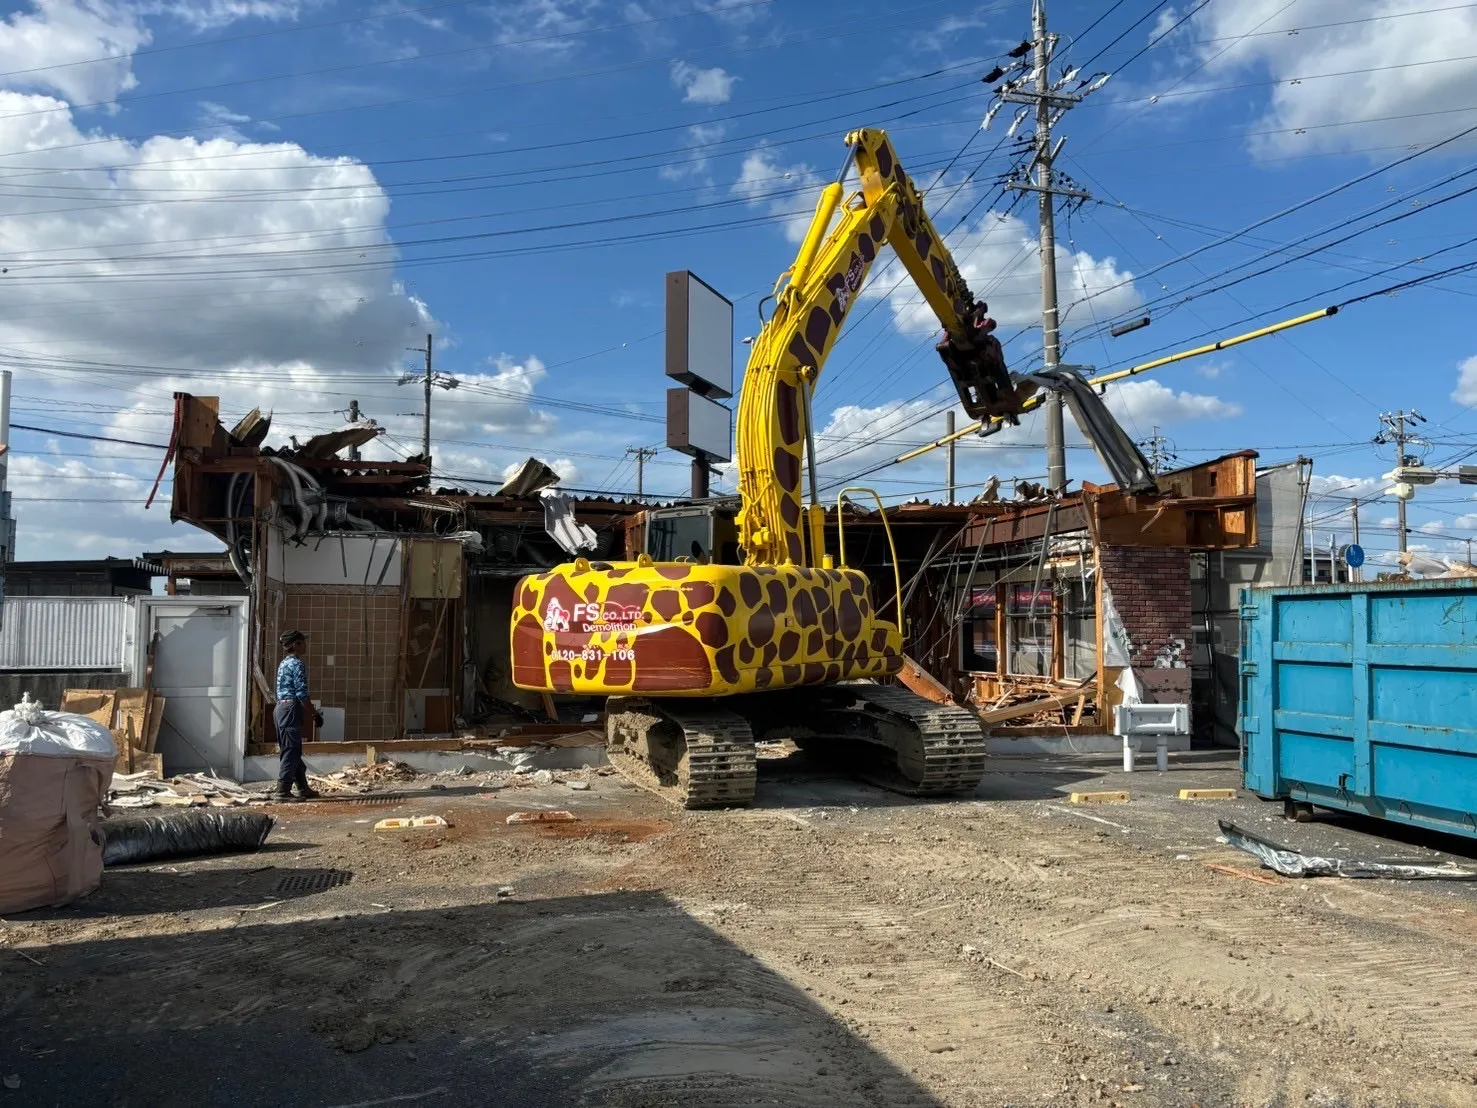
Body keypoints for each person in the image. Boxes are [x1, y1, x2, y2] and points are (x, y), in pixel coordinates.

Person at [274, 630, 323, 801]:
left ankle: (302, 787)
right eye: (302, 642)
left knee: (292, 750)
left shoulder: (284, 663)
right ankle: (282, 791)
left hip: (281, 708)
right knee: (291, 751)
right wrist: (314, 714)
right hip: (290, 708)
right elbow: (302, 693)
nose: (305, 645)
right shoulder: (297, 664)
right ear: (296, 645)